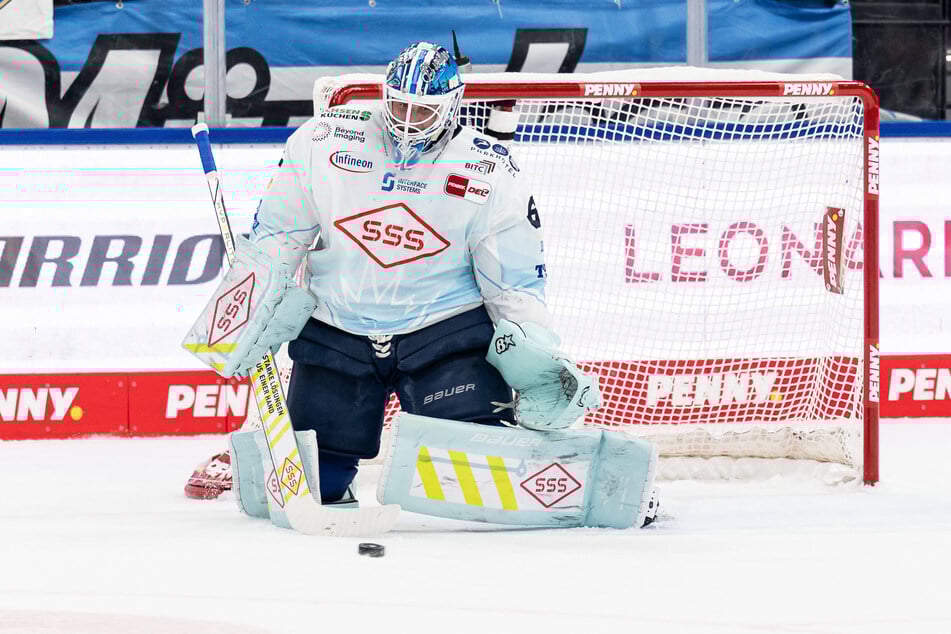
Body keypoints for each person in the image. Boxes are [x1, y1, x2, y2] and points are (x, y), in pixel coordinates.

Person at [184, 42, 656, 528]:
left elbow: (514, 285)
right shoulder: (323, 141)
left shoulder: (490, 169)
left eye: (424, 111)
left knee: (478, 467)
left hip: (442, 336)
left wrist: (534, 353)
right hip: (337, 334)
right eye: (399, 105)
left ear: (453, 105)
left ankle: (606, 484)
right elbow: (277, 238)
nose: (408, 121)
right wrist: (241, 309)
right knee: (313, 485)